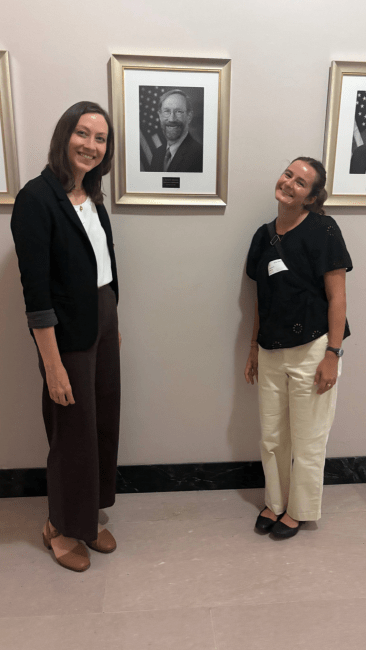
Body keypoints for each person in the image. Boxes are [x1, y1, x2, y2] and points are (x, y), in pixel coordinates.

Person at [11, 101, 121, 571]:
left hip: (103, 321)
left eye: (100, 139)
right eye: (83, 133)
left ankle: (87, 511)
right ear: (64, 135)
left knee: (101, 424)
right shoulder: (36, 198)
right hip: (65, 334)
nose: (91, 145)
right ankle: (58, 524)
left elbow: (105, 265)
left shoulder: (93, 195)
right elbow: (36, 294)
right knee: (70, 432)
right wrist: (52, 364)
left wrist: (115, 322)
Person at [244, 157, 352, 539]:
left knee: (308, 438)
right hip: (271, 348)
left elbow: (337, 297)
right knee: (272, 437)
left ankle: (300, 510)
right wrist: (254, 348)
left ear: (311, 196)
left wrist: (332, 355)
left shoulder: (324, 229)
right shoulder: (263, 236)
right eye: (288, 174)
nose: (290, 183)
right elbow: (261, 295)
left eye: (301, 182)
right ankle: (275, 501)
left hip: (314, 348)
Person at [149, 89, 203, 173]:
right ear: (160, 115)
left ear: (189, 116)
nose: (171, 119)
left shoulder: (200, 155)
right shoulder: (157, 154)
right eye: (166, 111)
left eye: (179, 112)